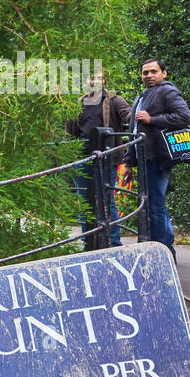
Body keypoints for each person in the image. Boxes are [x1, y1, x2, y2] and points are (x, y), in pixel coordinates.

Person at [129, 58, 190, 259]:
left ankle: (164, 254)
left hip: (157, 157)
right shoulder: (143, 95)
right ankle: (164, 248)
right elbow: (134, 130)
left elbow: (184, 117)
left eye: (153, 71)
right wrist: (130, 162)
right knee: (154, 204)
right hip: (144, 157)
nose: (148, 75)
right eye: (145, 72)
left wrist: (151, 119)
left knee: (155, 205)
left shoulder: (167, 90)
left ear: (163, 73)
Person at [65, 72, 131, 247]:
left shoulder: (114, 100)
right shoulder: (78, 103)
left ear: (105, 81)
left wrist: (142, 117)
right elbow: (69, 131)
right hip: (82, 158)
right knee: (85, 200)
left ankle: (113, 243)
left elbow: (128, 116)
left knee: (107, 199)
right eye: (90, 78)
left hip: (107, 158)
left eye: (99, 78)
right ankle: (89, 242)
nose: (94, 81)